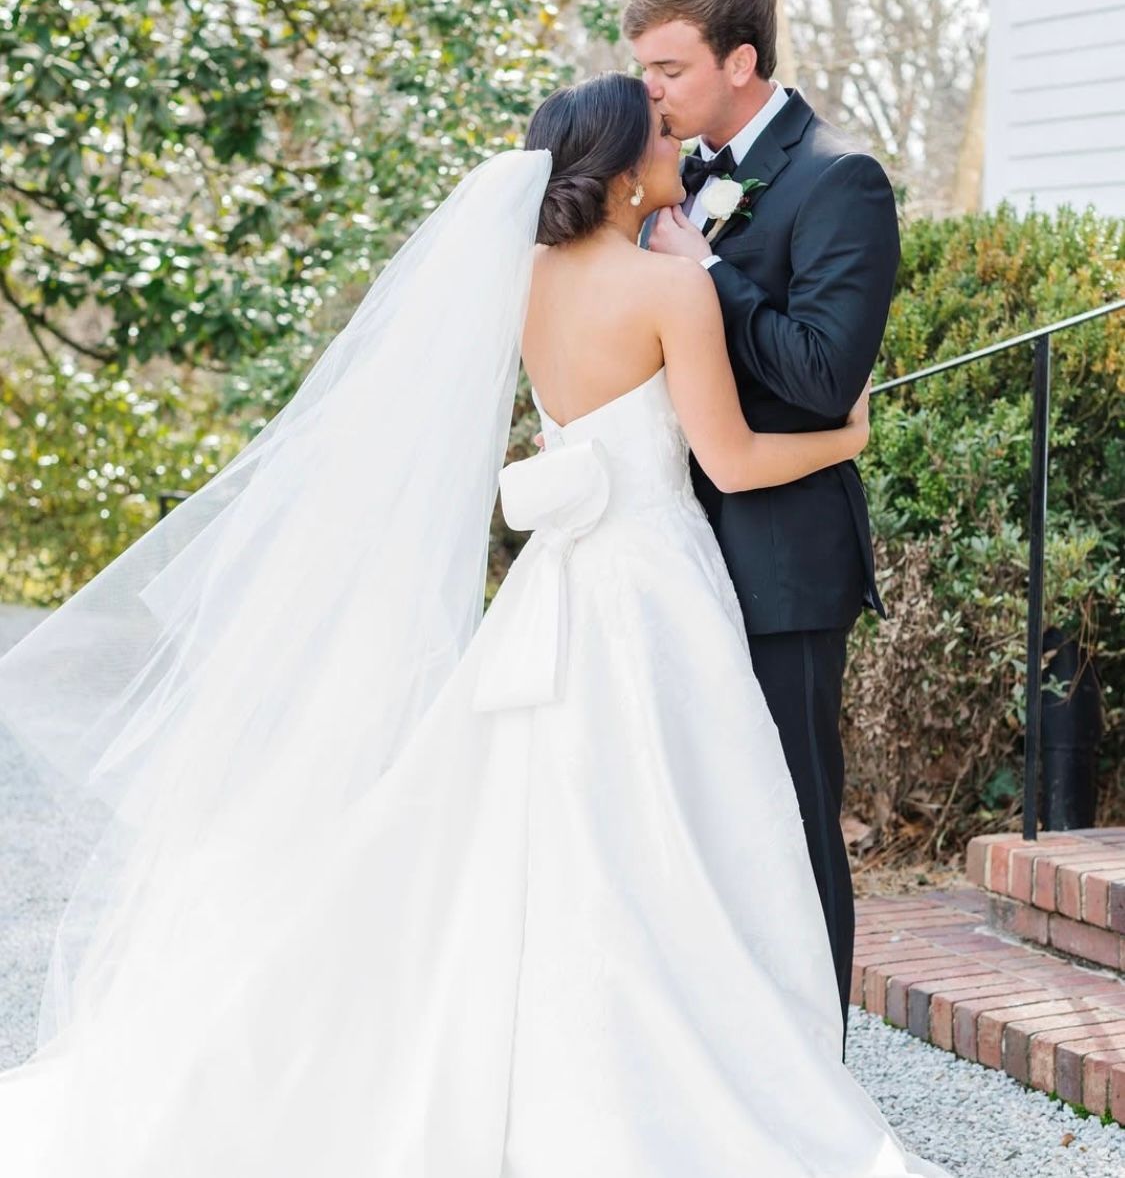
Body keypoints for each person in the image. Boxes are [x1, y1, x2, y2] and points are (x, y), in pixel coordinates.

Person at [0, 73, 950, 1175]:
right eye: (657, 137)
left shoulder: (528, 279)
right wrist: (849, 436)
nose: (674, 145)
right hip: (652, 589)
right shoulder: (669, 291)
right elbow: (729, 459)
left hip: (553, 588)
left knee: (523, 821)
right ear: (613, 171)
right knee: (680, 834)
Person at [628, 0, 902, 1054]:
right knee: (695, 820)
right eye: (640, 66)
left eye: (668, 68)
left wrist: (710, 274)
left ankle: (815, 1070)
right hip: (670, 548)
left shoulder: (842, 178)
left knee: (791, 824)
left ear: (741, 61)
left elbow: (825, 373)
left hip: (784, 562)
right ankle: (726, 1061)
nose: (648, 90)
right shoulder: (672, 174)